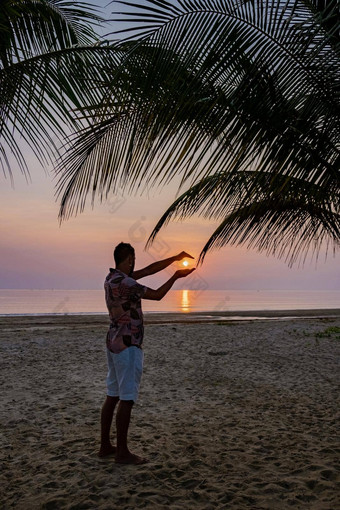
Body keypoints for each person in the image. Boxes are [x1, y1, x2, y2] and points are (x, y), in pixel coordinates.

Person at [98, 242, 195, 464]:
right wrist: (176, 276)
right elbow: (158, 294)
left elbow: (149, 270)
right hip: (128, 344)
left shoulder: (111, 279)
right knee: (127, 398)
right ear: (129, 259)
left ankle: (105, 445)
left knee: (112, 394)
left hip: (113, 342)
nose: (136, 264)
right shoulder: (128, 283)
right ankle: (122, 452)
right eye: (134, 260)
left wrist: (174, 257)